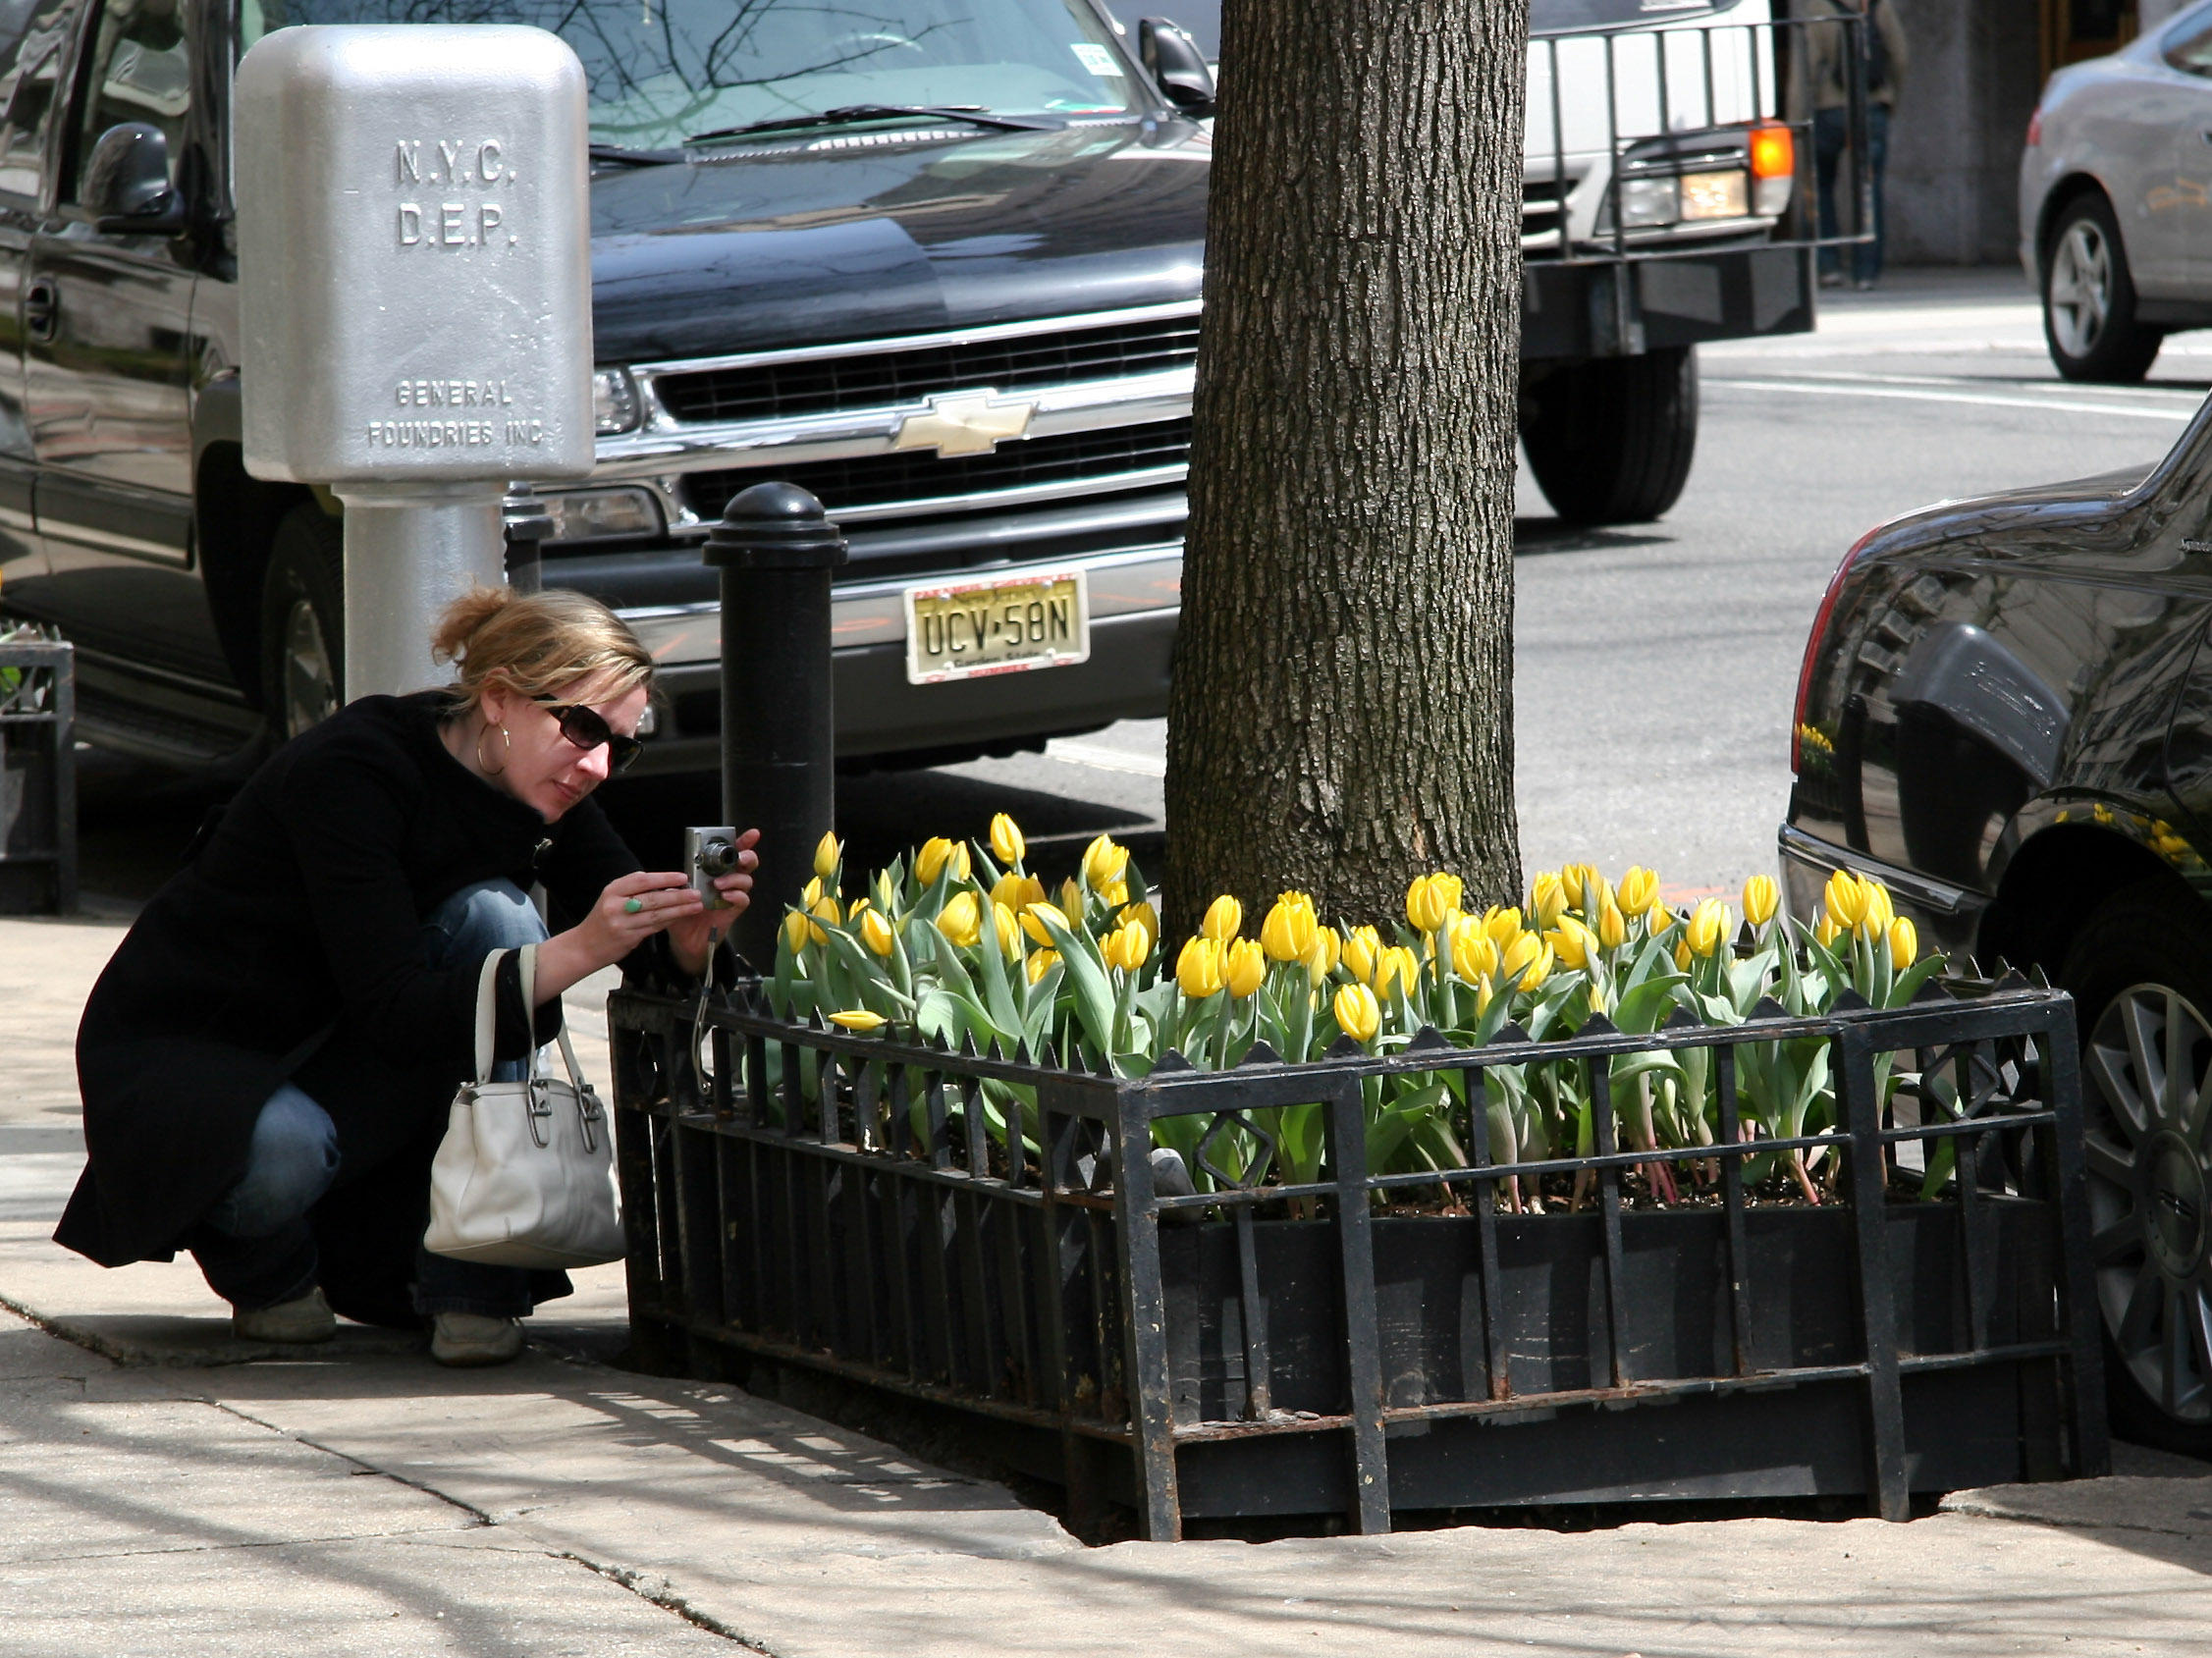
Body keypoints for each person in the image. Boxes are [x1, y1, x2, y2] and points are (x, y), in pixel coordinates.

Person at [54, 587, 760, 1365]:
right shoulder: (354, 767)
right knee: (298, 1133)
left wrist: (689, 941)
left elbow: (637, 942)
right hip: (214, 1056)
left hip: (354, 1057)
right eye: (583, 726)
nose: (596, 764)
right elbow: (394, 1006)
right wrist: (580, 948)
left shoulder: (544, 784)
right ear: (499, 698)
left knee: (497, 923)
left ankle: (475, 1288)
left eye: (620, 746)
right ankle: (271, 1274)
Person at [1802, 0, 1910, 291]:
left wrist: (1796, 116)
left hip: (1829, 108)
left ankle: (1829, 265)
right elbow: (1899, 55)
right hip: (1871, 105)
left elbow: (1807, 68)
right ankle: (1866, 272)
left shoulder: (1815, 7)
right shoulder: (1876, 4)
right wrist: (1890, 98)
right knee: (1869, 190)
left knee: (1822, 185)